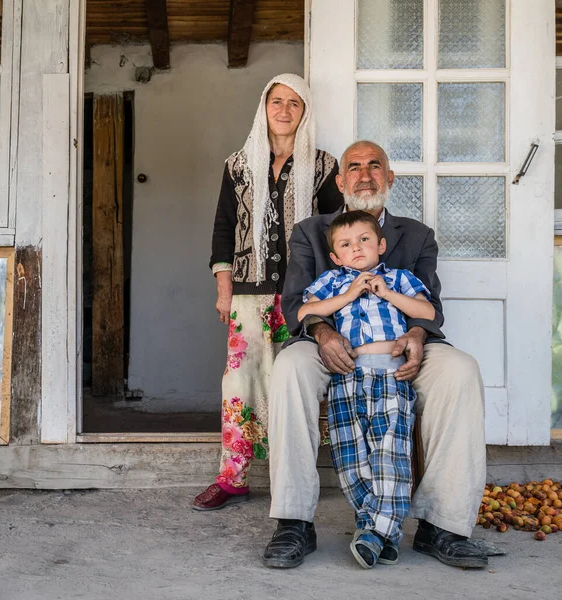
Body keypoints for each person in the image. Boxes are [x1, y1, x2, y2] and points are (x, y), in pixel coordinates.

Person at [263, 140, 487, 569]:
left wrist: (418, 335)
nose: (365, 175)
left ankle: (443, 524)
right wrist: (324, 332)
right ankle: (293, 521)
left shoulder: (417, 235)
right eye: (354, 167)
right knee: (290, 367)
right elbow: (295, 304)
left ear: (389, 177)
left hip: (401, 345)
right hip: (328, 342)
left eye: (375, 166)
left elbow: (430, 306)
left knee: (461, 370)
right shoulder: (311, 231)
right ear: (341, 180)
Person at [193, 74, 343, 511]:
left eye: (294, 103)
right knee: (239, 382)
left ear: (305, 111)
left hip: (304, 295)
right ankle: (232, 477)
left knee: (289, 384)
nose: (283, 110)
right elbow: (223, 226)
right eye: (276, 101)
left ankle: (289, 478)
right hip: (247, 292)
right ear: (264, 107)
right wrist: (224, 287)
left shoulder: (324, 166)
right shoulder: (239, 164)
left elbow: (337, 233)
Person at [298, 210, 434, 568]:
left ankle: (374, 533)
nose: (356, 248)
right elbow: (304, 312)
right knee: (351, 458)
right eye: (346, 244)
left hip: (391, 378)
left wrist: (387, 293)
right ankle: (380, 532)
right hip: (348, 379)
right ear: (335, 257)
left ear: (381, 245)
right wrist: (347, 295)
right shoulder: (333, 281)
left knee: (390, 454)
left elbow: (428, 312)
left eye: (364, 240)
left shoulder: (399, 277)